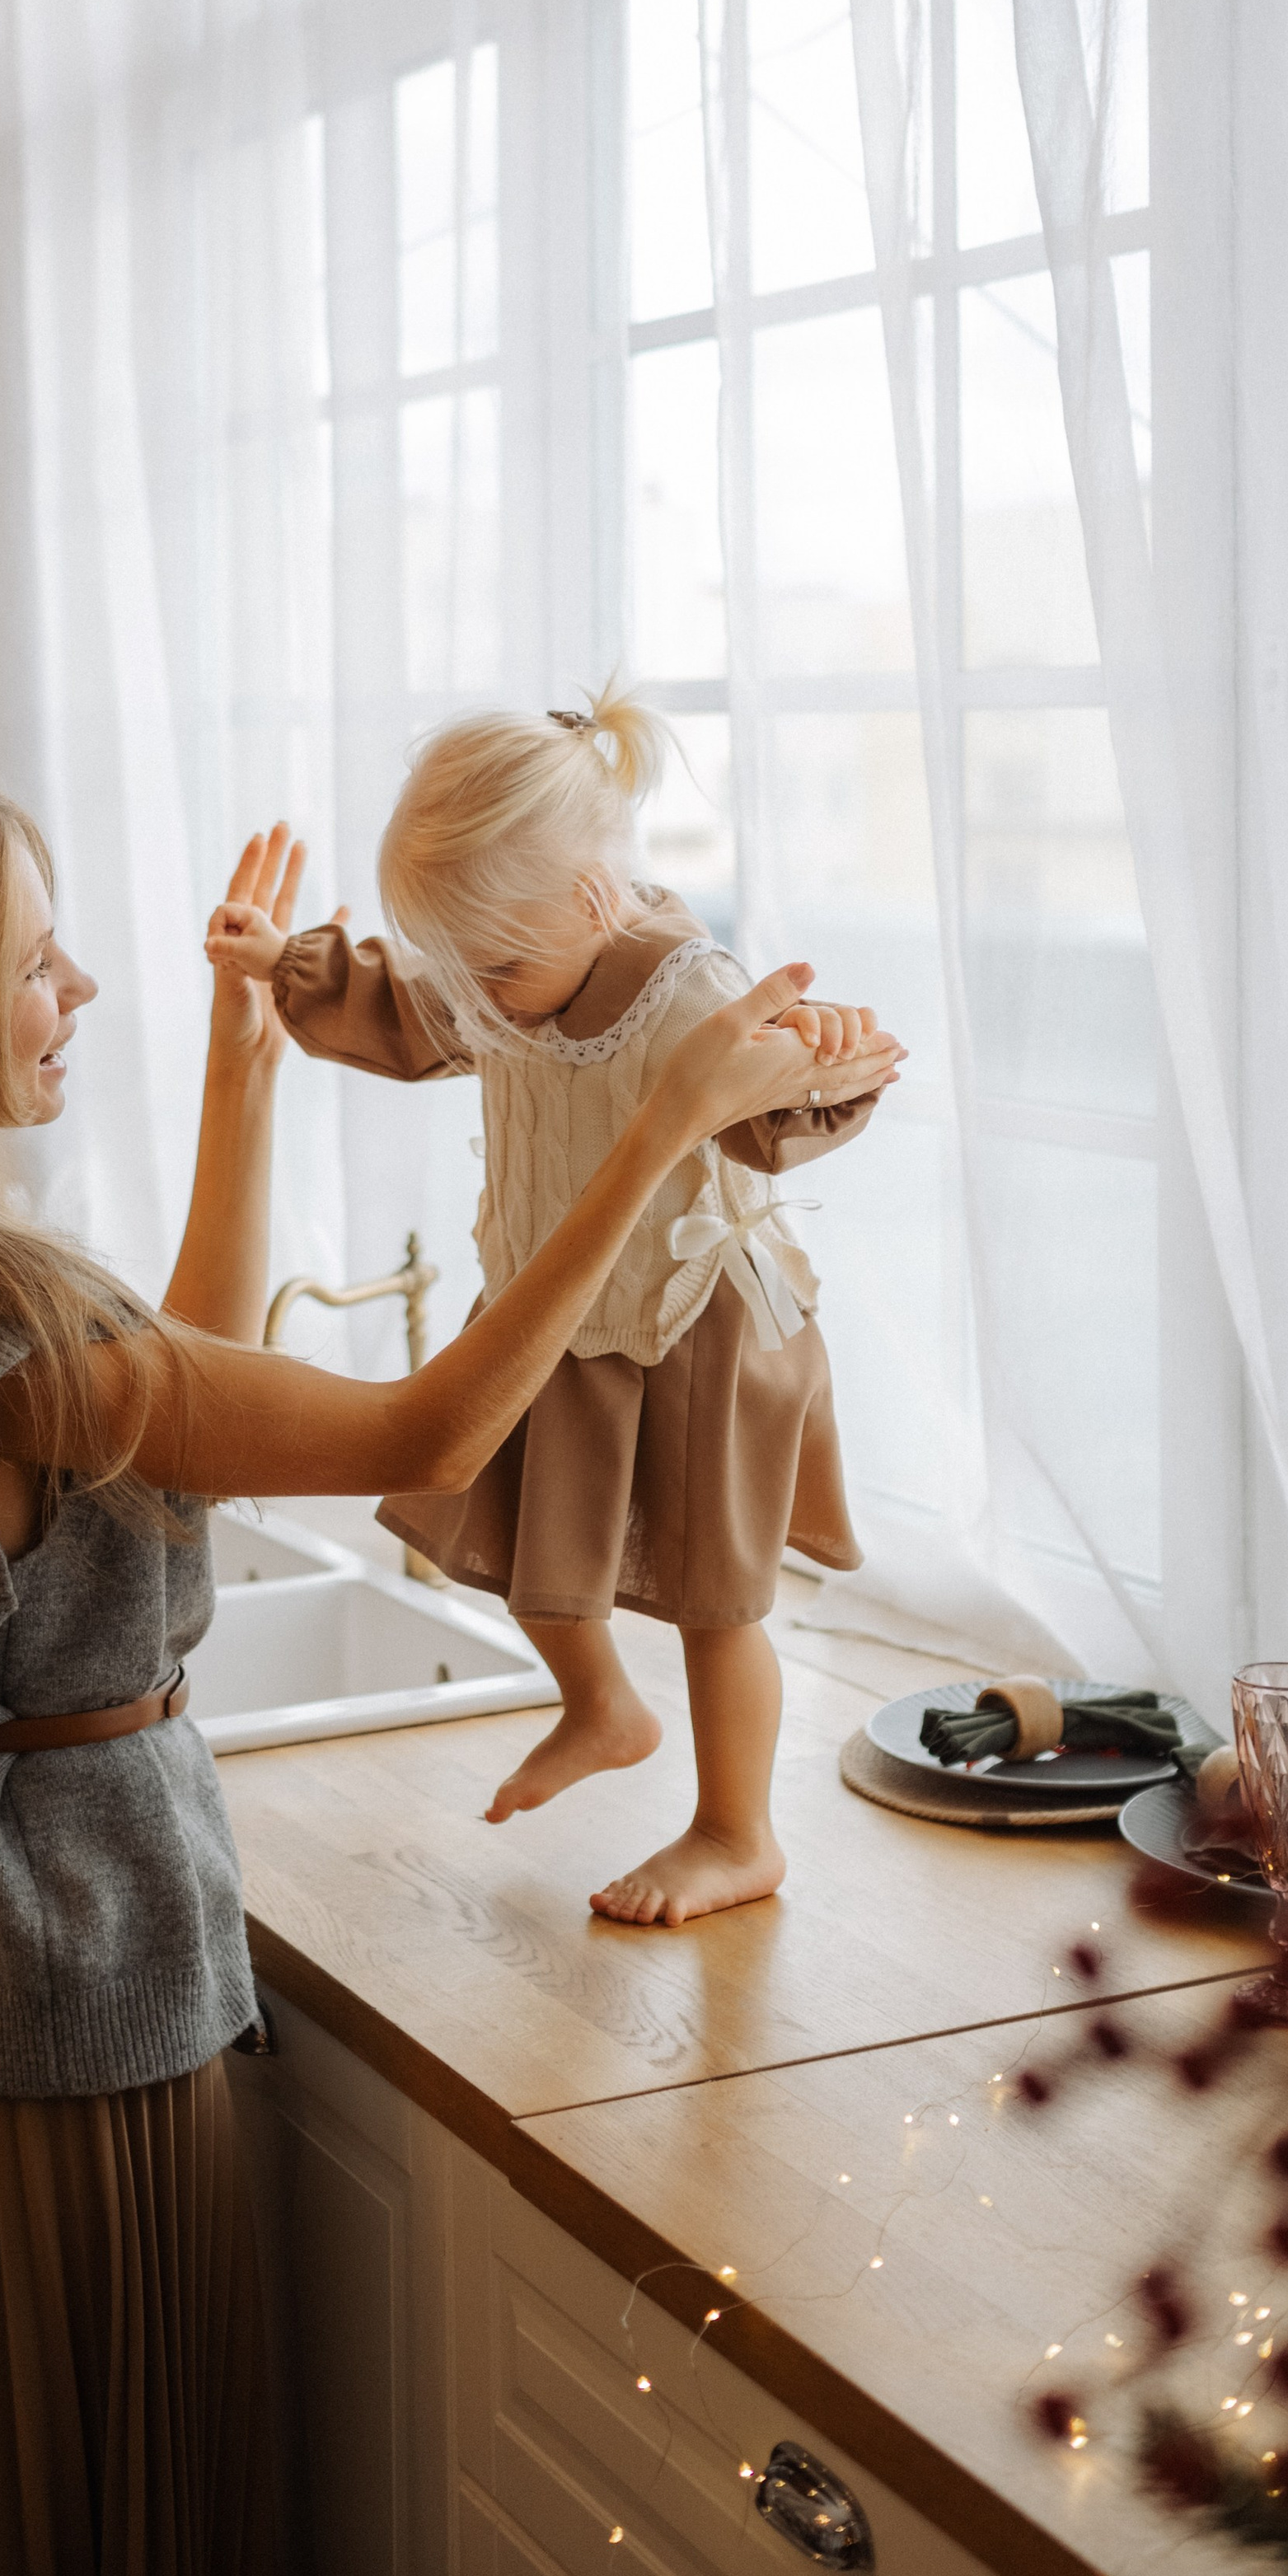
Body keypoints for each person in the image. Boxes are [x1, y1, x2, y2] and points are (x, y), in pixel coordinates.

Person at [0, 740, 897, 2576]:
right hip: (71, 1974)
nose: (78, 991)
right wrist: (659, 1117)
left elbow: (180, 1390)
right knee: (93, 2494)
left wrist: (244, 1053)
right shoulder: (12, 1334)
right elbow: (432, 1434)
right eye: (36, 966)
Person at [207, 686, 903, 1931]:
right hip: (565, 1317)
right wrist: (287, 966)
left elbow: (772, 1093)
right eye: (462, 968)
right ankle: (601, 1708)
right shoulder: (507, 971)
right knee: (526, 1540)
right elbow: (406, 1013)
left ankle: (738, 1831)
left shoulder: (684, 988)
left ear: (590, 901)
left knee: (715, 1601)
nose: (479, 997)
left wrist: (827, 1059)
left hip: (701, 1324)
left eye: (498, 967)